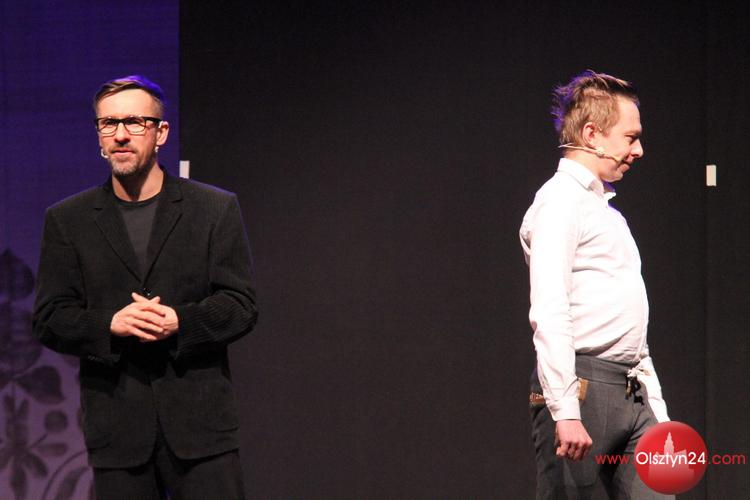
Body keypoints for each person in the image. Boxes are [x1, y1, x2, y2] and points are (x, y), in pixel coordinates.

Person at [33, 75, 257, 499]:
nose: (120, 135)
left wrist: (181, 322)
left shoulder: (213, 208)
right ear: (98, 135)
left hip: (201, 431)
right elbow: (49, 318)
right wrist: (109, 325)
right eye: (108, 124)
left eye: (135, 122)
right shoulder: (68, 219)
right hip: (118, 432)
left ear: (161, 133)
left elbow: (240, 304)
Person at [519, 70, 671, 499]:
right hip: (583, 390)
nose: (638, 150)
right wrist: (565, 410)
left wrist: (658, 412)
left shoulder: (607, 212)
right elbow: (550, 308)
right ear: (592, 134)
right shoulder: (559, 202)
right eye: (630, 137)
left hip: (632, 390)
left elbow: (631, 329)